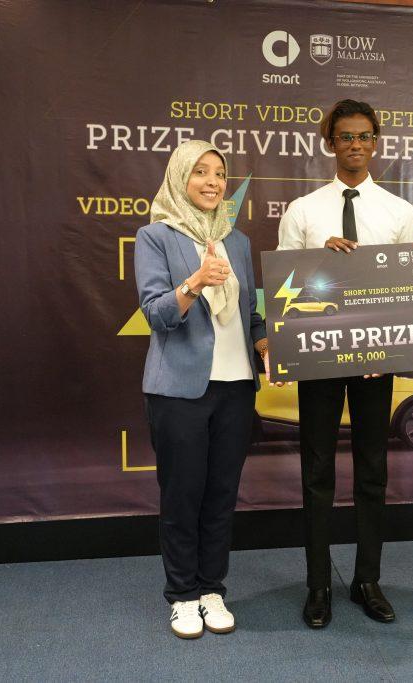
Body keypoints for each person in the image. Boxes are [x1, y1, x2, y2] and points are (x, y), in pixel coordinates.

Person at [277, 99, 413, 628]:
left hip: (375, 362)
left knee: (372, 470)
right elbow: (284, 289)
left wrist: (394, 353)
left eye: (363, 136)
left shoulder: (400, 213)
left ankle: (367, 580)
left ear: (375, 142)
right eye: (345, 136)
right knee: (317, 471)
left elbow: (405, 294)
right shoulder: (303, 211)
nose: (354, 145)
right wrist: (318, 259)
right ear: (329, 143)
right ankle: (318, 585)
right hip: (317, 357)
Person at [135, 141, 268, 639]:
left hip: (237, 387)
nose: (212, 182)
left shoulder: (238, 241)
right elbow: (156, 313)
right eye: (200, 172)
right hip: (179, 390)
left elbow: (250, 313)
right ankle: (182, 595)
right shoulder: (155, 236)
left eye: (219, 173)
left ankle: (212, 589)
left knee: (221, 494)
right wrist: (195, 282)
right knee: (182, 495)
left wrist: (265, 342)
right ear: (179, 178)